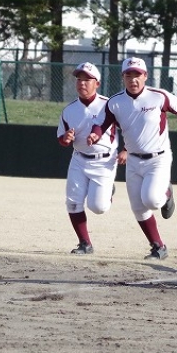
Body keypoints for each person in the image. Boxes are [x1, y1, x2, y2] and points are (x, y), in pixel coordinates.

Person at [87, 57, 177, 260]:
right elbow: (102, 123)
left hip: (158, 158)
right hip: (133, 160)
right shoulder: (115, 102)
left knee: (152, 200)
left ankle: (167, 192)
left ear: (145, 76)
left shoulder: (158, 96)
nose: (133, 79)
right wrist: (95, 134)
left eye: (137, 75)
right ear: (123, 77)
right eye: (128, 75)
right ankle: (158, 246)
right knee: (138, 208)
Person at [57, 62, 120, 254]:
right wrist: (66, 139)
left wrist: (126, 149)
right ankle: (85, 243)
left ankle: (108, 191)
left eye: (87, 80)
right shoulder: (69, 110)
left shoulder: (109, 105)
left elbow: (129, 128)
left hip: (104, 160)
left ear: (97, 83)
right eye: (79, 79)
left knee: (98, 207)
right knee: (73, 202)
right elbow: (61, 138)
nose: (82, 83)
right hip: (79, 158)